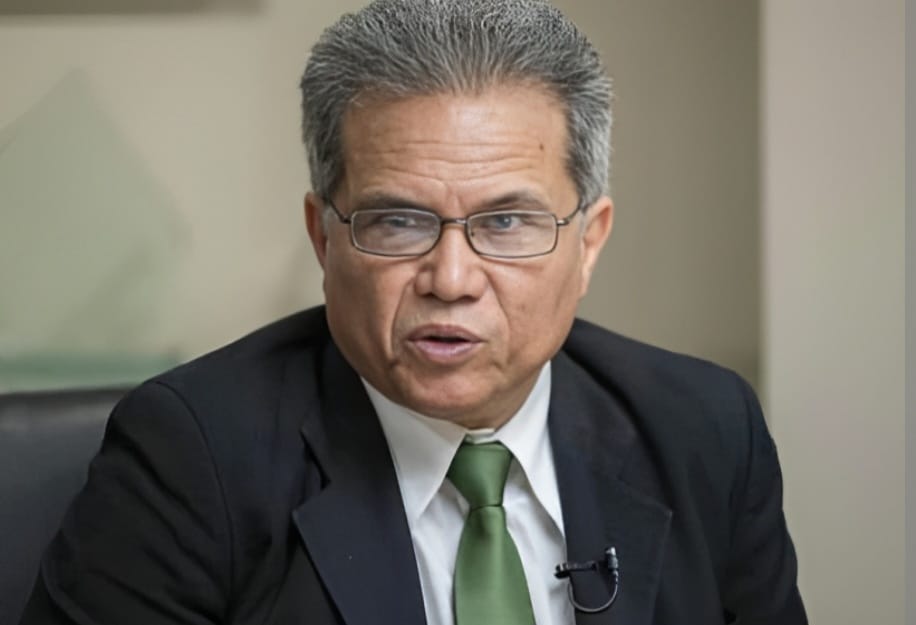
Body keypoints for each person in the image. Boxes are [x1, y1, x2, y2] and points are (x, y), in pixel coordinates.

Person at [20, 1, 806, 624]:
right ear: (324, 238)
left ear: (588, 243)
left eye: (507, 222)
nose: (451, 279)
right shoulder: (191, 459)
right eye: (397, 221)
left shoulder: (704, 430)